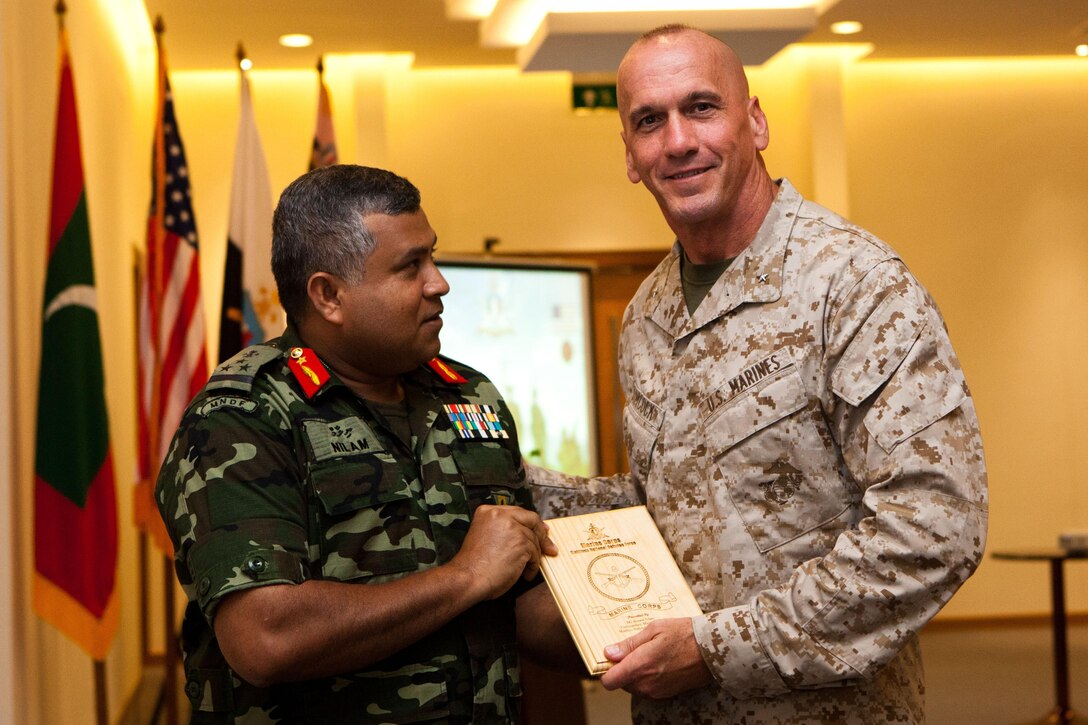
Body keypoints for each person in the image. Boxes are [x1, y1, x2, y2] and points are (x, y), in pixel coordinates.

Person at [528, 24, 988, 723]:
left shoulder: (853, 284)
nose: (678, 140)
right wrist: (512, 483)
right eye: (649, 121)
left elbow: (933, 527)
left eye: (702, 107)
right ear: (630, 155)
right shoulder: (647, 313)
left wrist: (716, 649)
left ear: (757, 121)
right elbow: (675, 504)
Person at [156, 164, 558, 723]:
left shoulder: (470, 397)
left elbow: (519, 597)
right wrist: (464, 577)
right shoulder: (243, 417)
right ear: (328, 296)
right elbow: (265, 637)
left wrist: (641, 632)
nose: (439, 282)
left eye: (432, 256)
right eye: (409, 266)